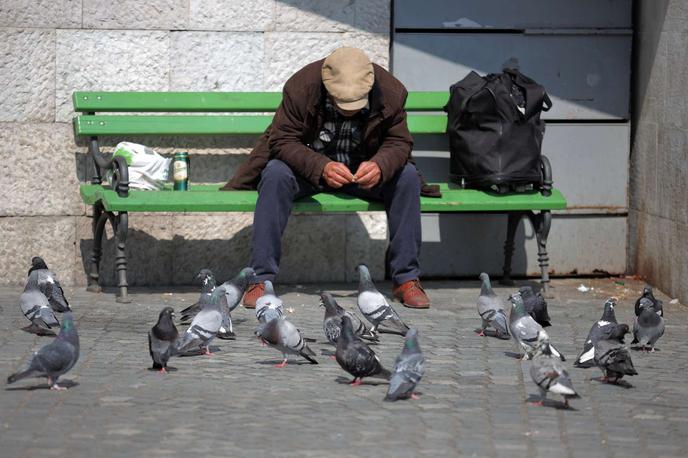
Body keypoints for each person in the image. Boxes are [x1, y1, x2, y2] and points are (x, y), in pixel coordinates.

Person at [224, 47, 432, 309]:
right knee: (275, 173)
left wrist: (380, 165)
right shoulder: (302, 86)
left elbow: (399, 142)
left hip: (363, 172)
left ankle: (406, 279)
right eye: (341, 103)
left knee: (408, 177)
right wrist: (320, 166)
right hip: (308, 170)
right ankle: (260, 279)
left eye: (355, 104)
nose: (348, 110)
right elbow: (281, 140)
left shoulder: (391, 92)